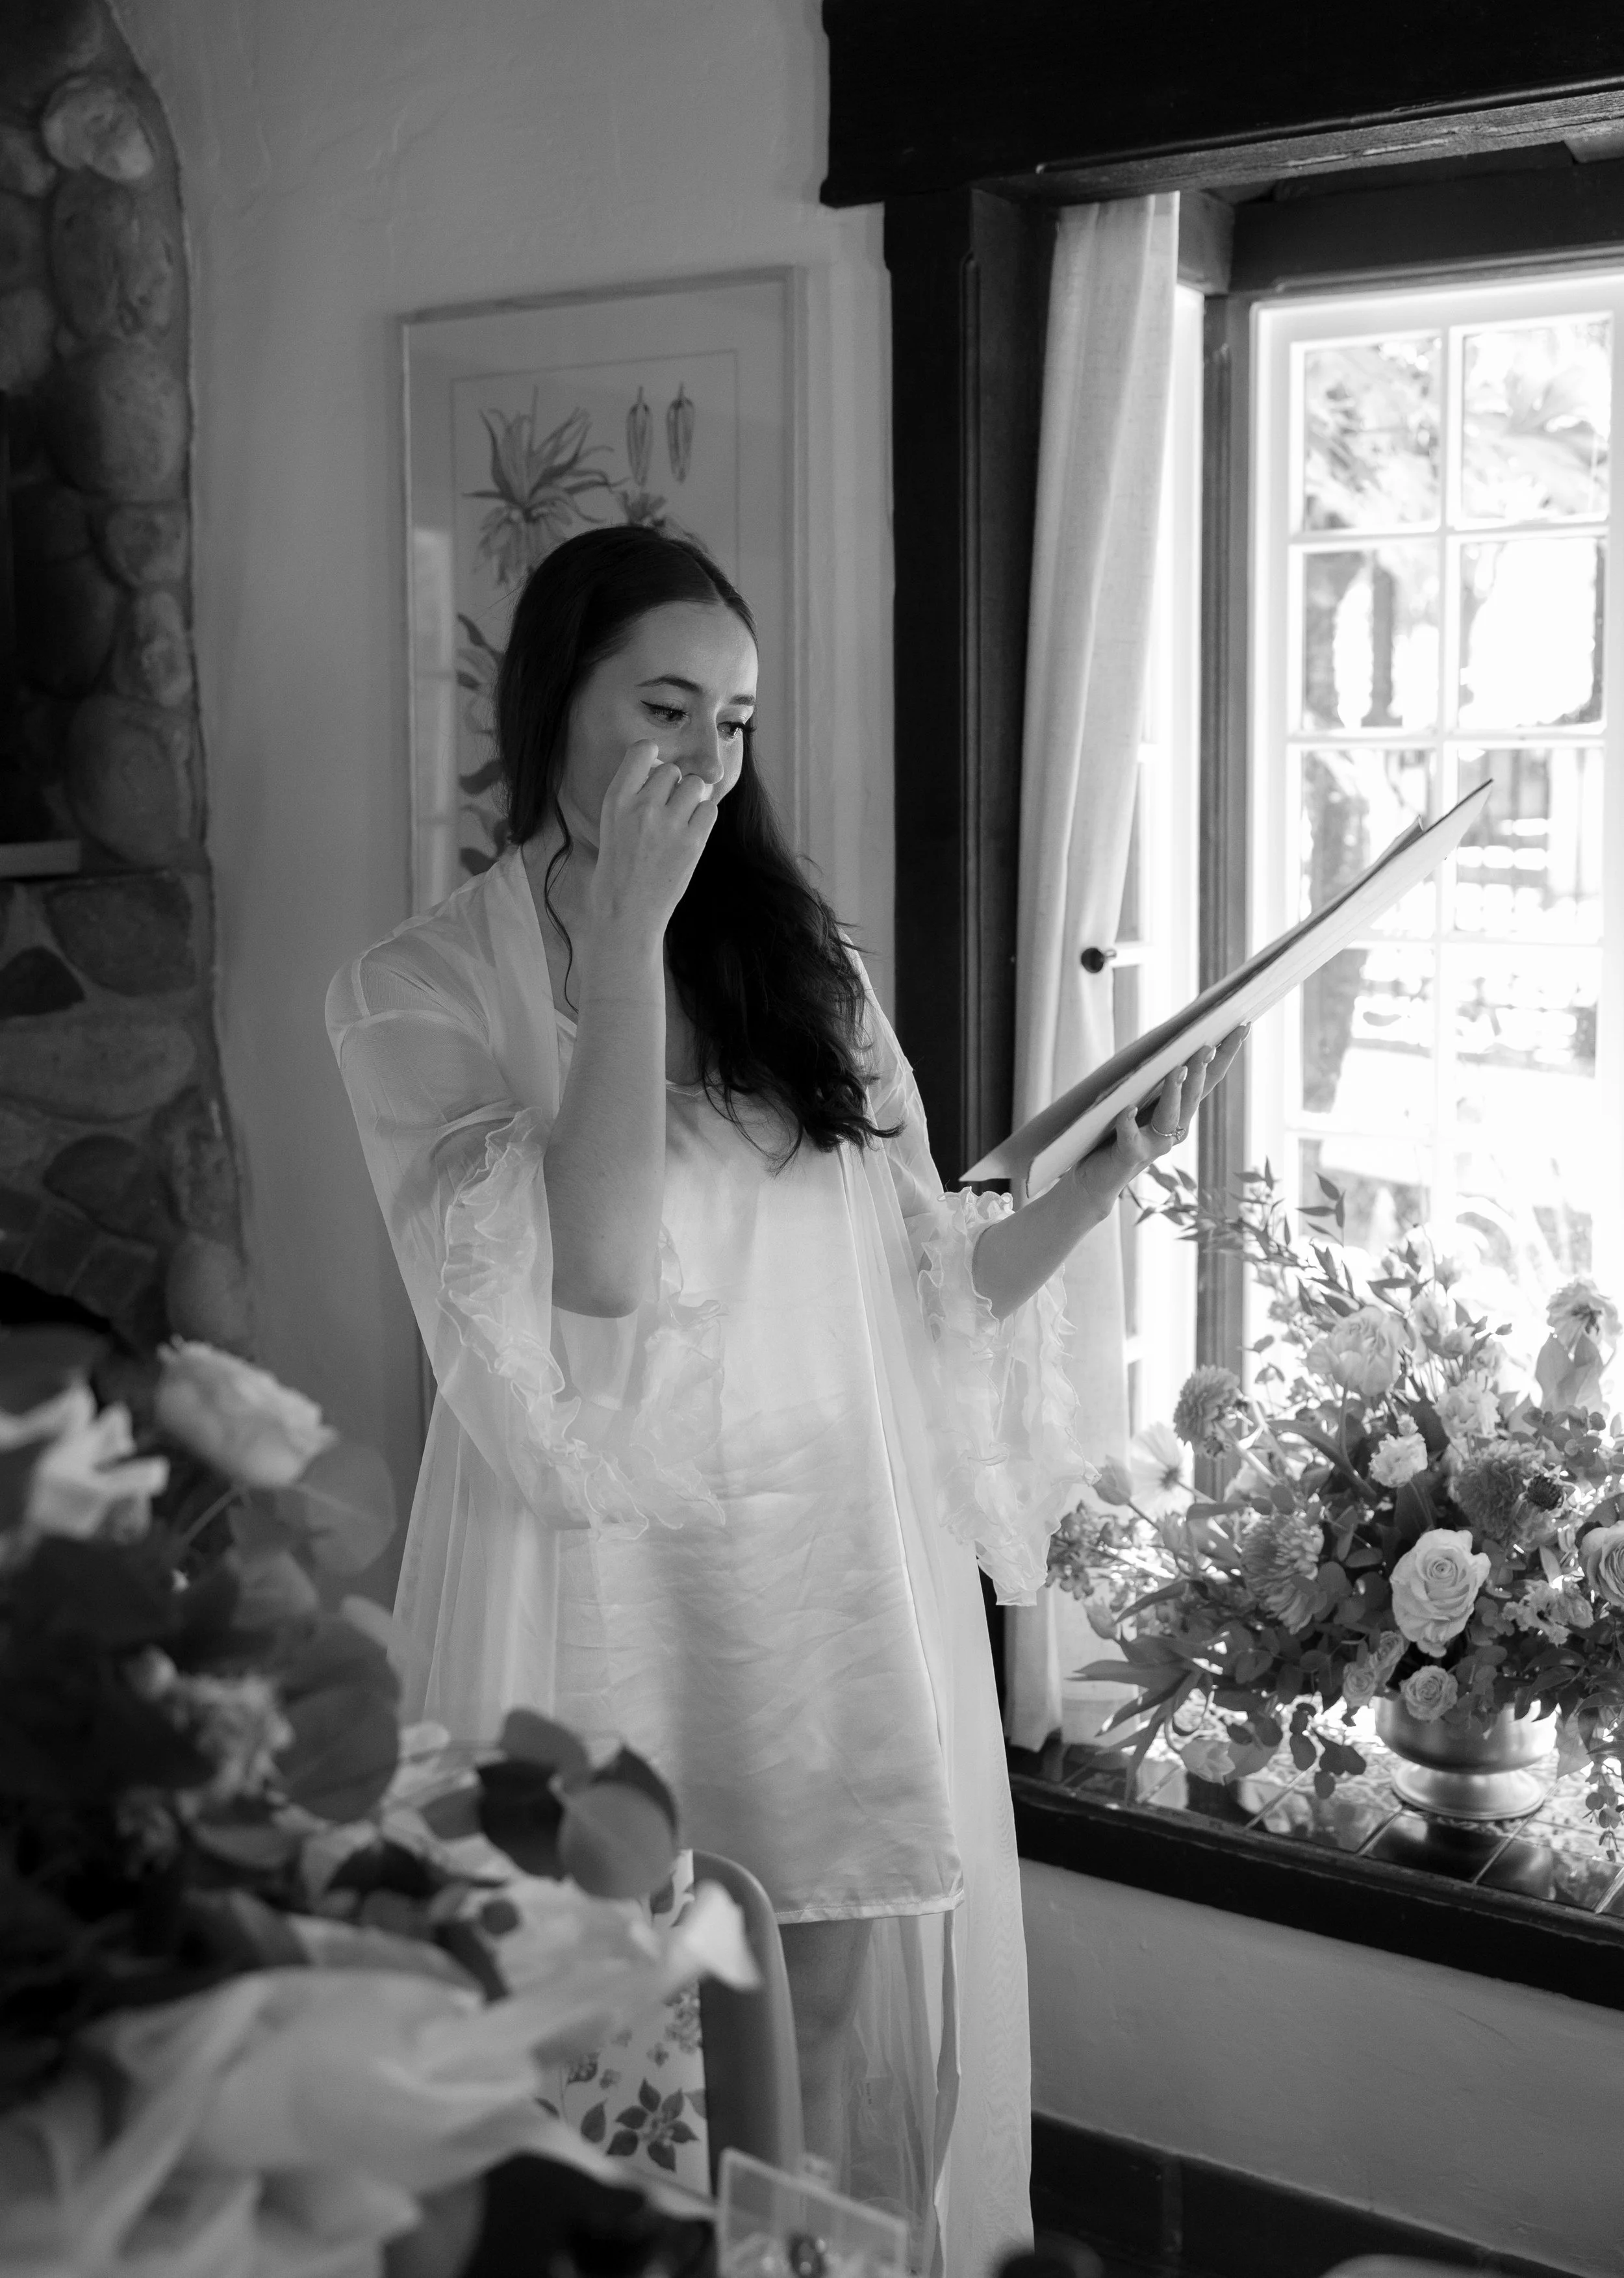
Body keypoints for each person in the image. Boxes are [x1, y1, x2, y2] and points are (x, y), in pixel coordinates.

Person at [327, 526, 1240, 2278]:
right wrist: (618, 945)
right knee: (621, 2073)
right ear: (554, 704)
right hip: (600, 1606)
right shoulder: (412, 987)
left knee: (850, 2068)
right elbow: (586, 1277)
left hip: (830, 1589)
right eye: (664, 705)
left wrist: (1099, 1175)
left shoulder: (794, 952)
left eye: (735, 720)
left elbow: (927, 1281)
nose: (706, 757)